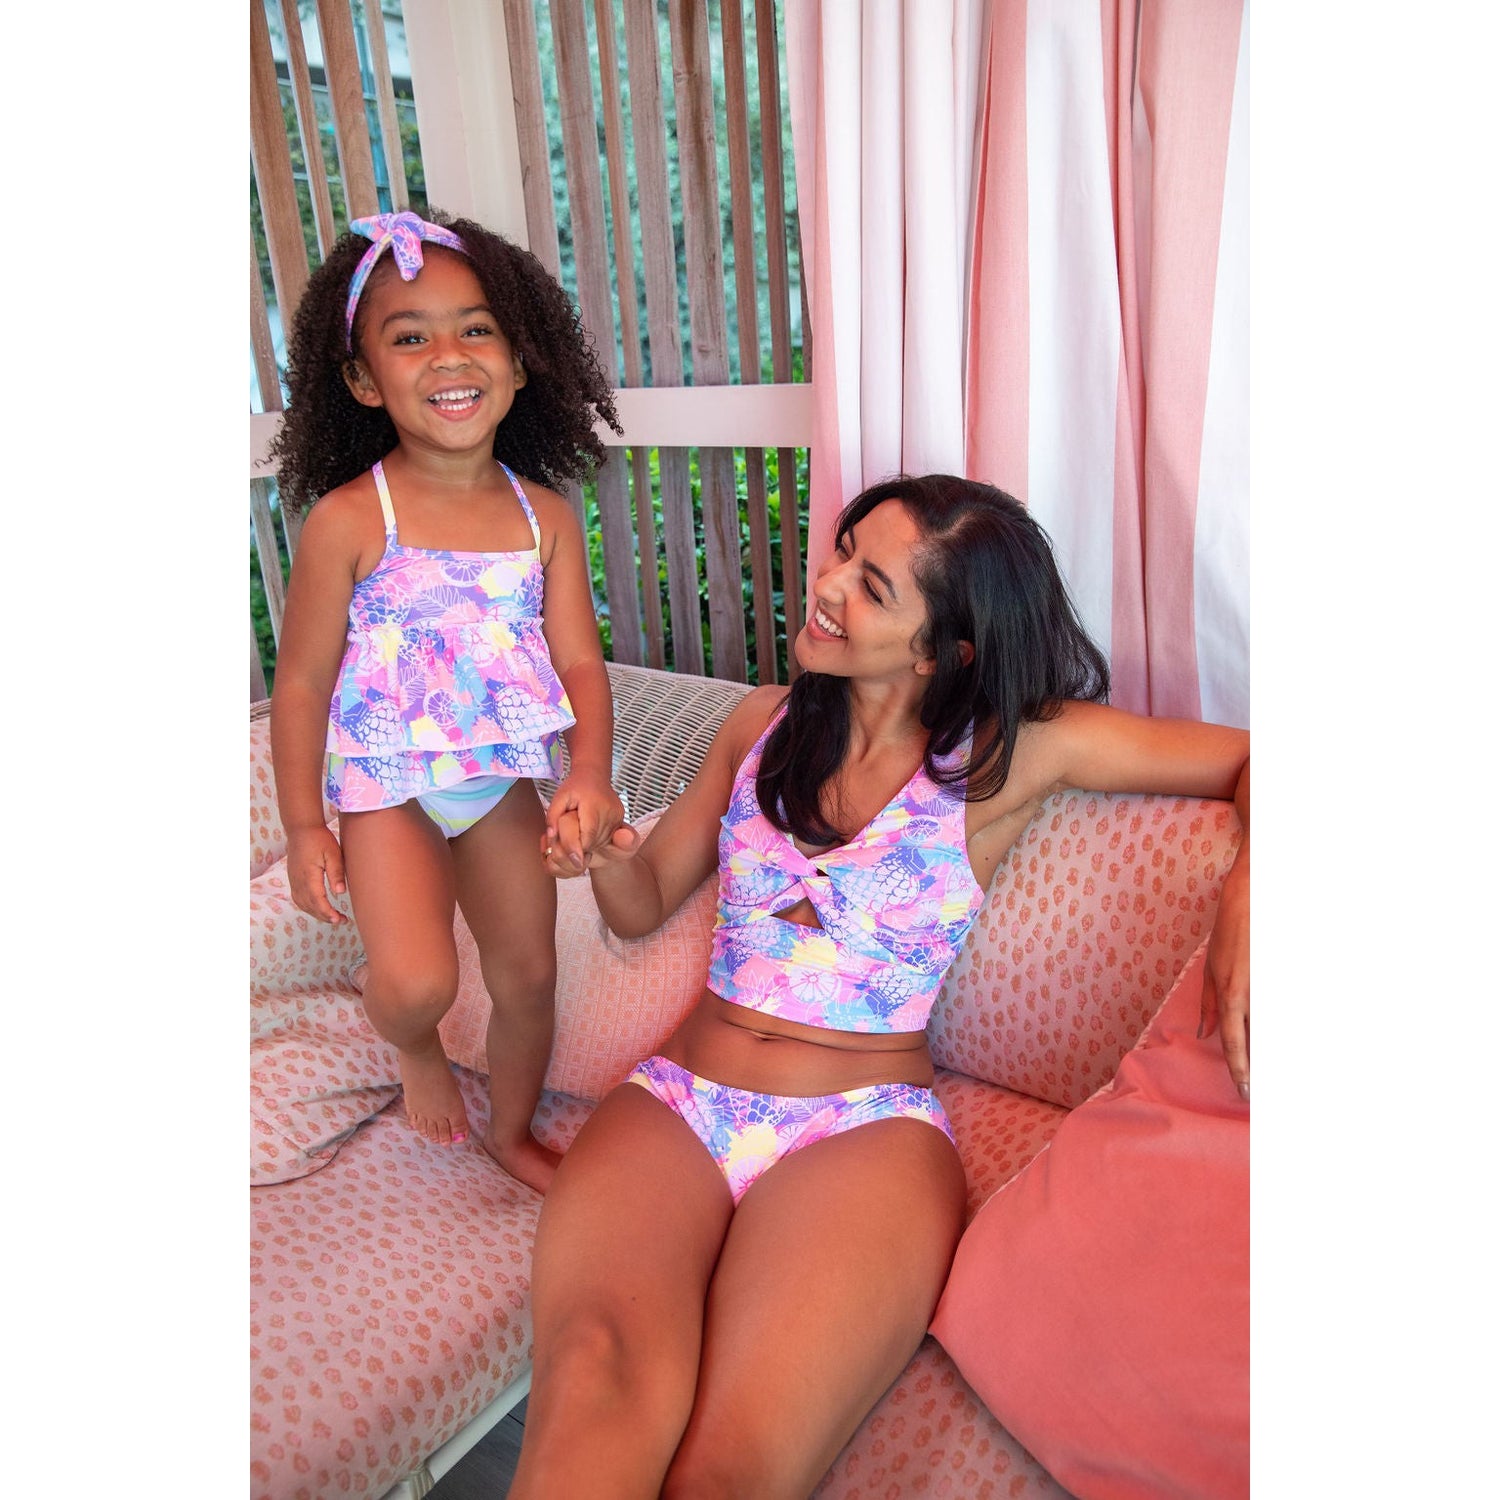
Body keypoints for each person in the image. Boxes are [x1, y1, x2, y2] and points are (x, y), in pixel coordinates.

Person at [510, 473, 1250, 1496]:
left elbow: (1256, 761)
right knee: (591, 1379)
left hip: (860, 1131)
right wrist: (602, 852)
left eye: (873, 586)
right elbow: (640, 907)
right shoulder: (760, 727)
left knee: (725, 1475)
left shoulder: (1009, 755)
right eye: (845, 551)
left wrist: (1249, 898)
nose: (828, 585)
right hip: (677, 1103)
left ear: (943, 651)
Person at [268, 209, 624, 1194]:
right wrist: (305, 825)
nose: (449, 356)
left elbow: (580, 662)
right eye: (409, 337)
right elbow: (300, 683)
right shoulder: (350, 520)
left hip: (495, 781)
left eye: (476, 328)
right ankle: (415, 1044)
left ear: (519, 361)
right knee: (418, 981)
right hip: (389, 786)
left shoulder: (543, 518)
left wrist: (589, 772)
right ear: (362, 380)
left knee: (529, 975)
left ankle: (510, 1131)